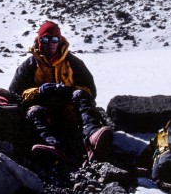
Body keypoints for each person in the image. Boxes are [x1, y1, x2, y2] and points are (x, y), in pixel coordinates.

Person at [9, 21, 112, 162]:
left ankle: (91, 137)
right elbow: (14, 93)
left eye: (54, 39)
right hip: (44, 116)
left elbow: (90, 91)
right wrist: (39, 91)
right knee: (33, 111)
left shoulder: (73, 63)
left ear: (60, 41)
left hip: (70, 114)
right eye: (45, 39)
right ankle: (51, 146)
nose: (50, 44)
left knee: (80, 95)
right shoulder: (30, 65)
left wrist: (70, 91)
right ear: (39, 41)